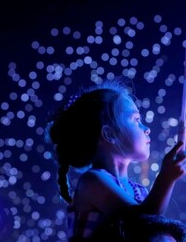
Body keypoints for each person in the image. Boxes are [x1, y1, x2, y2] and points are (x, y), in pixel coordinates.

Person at [47, 77, 186, 241]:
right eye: (136, 120)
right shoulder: (92, 181)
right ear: (109, 134)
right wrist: (166, 178)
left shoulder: (138, 190)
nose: (147, 129)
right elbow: (143, 223)